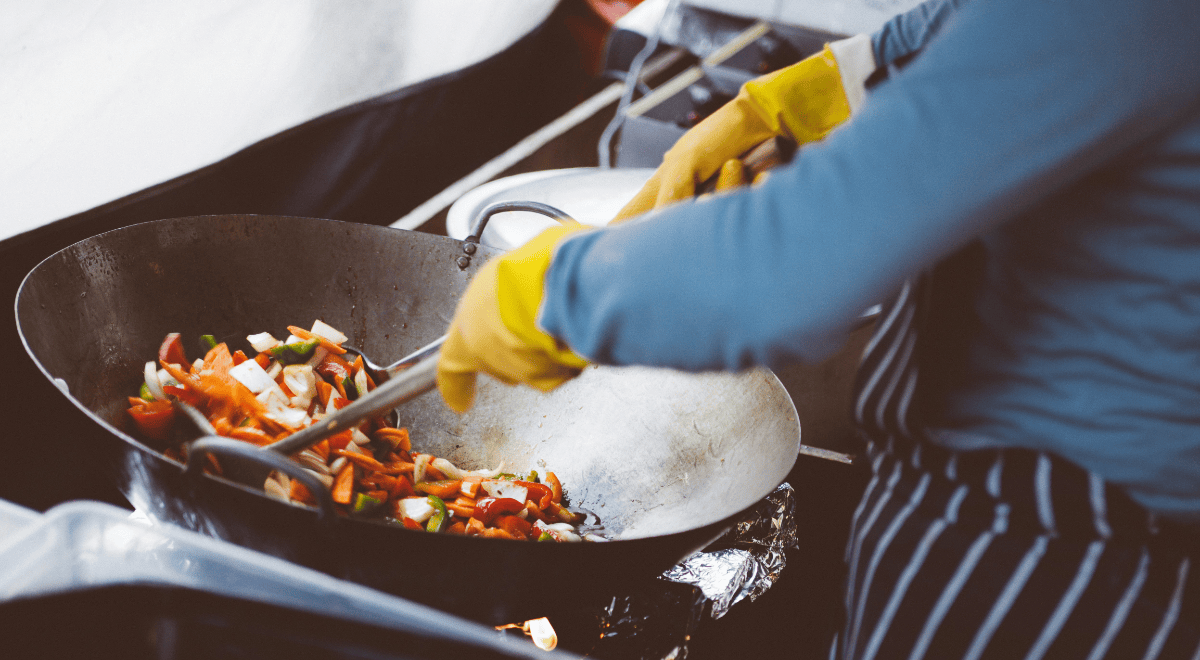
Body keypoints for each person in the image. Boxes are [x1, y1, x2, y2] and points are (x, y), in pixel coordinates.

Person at [435, 0, 1200, 656]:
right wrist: (832, 85)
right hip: (1010, 508)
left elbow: (797, 264)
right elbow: (984, 29)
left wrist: (558, 289)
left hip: (1048, 544)